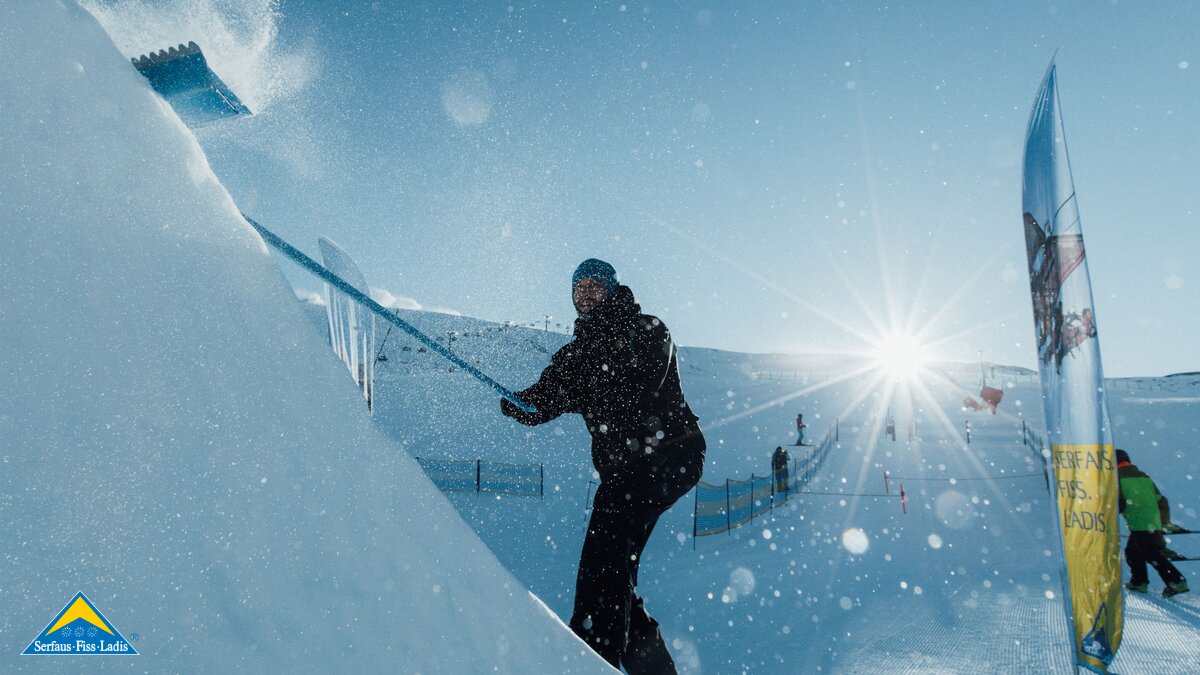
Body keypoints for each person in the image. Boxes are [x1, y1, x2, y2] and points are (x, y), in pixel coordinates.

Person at [501, 258, 705, 673]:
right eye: (579, 290)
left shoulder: (647, 330)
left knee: (608, 540)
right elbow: (551, 390)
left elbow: (635, 388)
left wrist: (577, 387)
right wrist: (528, 404)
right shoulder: (578, 352)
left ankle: (594, 651)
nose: (587, 295)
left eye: (595, 287)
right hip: (627, 469)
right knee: (617, 568)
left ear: (612, 290)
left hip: (670, 456)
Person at [1117, 449, 1188, 597]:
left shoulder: (1116, 478)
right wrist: (1164, 521)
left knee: (1150, 554)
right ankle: (1139, 582)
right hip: (1152, 520)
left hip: (1138, 522)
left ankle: (1177, 582)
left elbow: (1120, 504)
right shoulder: (1143, 476)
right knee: (1133, 551)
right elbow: (1161, 499)